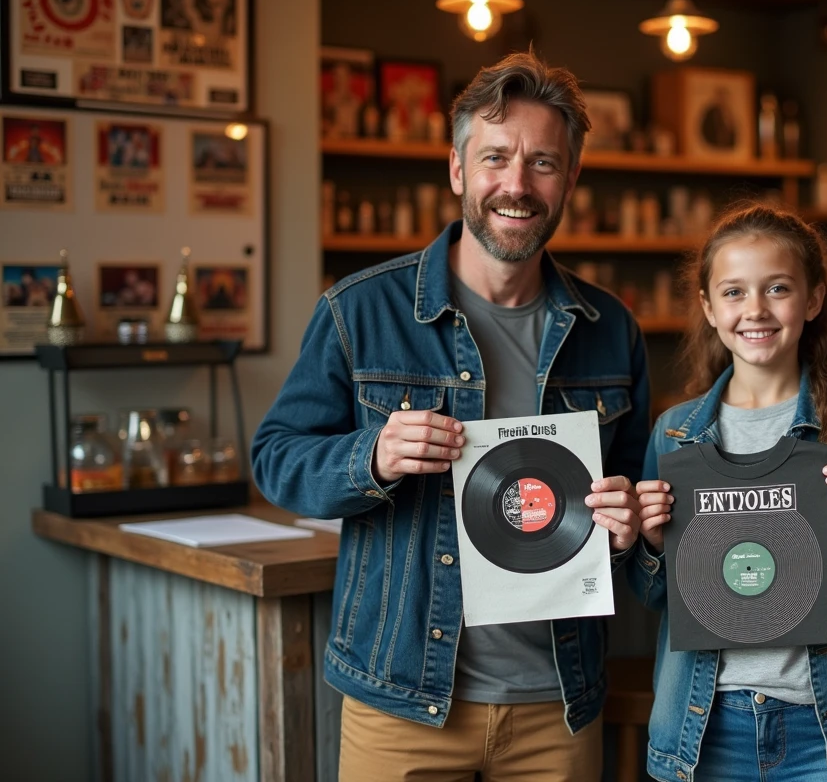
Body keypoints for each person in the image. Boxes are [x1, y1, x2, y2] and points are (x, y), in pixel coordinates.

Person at [252, 51, 651, 782]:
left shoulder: (611, 329)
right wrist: (372, 456)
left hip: (556, 701)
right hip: (402, 704)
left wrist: (629, 523)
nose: (517, 185)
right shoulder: (359, 310)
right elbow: (275, 459)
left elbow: (634, 500)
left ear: (570, 180)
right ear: (458, 170)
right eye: (495, 157)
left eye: (542, 163)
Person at [630, 202, 827, 782]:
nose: (756, 309)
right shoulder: (673, 433)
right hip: (703, 729)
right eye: (734, 292)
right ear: (709, 308)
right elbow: (653, 595)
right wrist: (648, 542)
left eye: (777, 288)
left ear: (813, 299)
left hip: (824, 731)